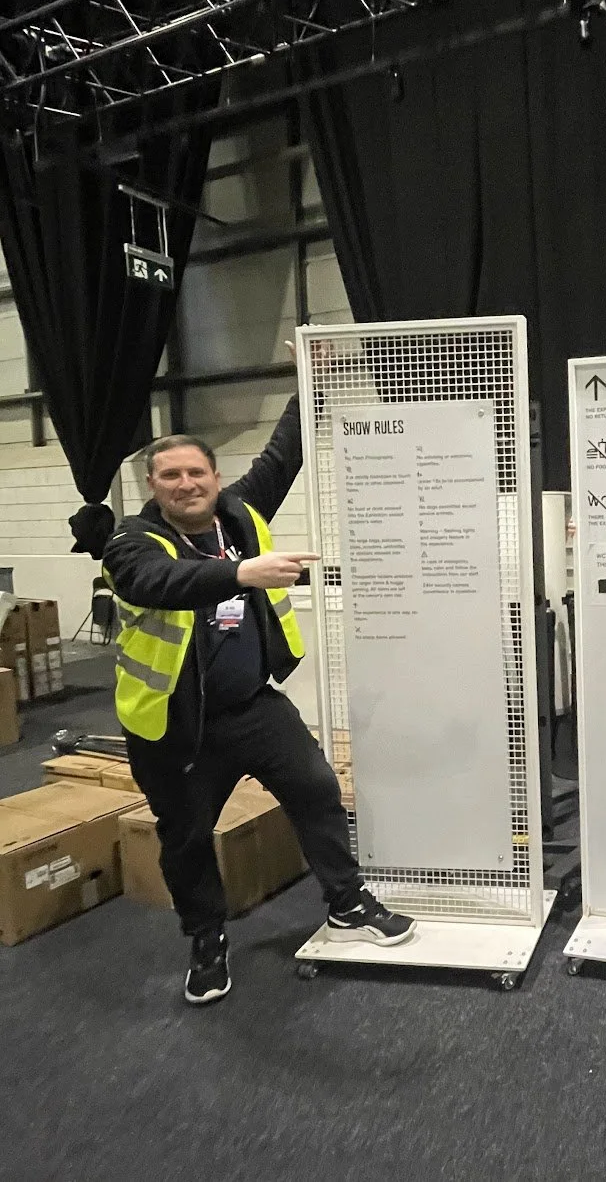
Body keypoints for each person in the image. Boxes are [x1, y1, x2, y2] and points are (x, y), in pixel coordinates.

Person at [102, 381, 413, 1007]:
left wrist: (307, 382)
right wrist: (243, 572)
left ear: (215, 478)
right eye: (170, 476)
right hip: (176, 726)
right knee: (187, 838)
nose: (186, 484)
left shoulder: (240, 512)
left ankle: (346, 901)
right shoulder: (130, 544)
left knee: (317, 790)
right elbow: (160, 582)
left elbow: (283, 453)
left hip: (254, 706)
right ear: (152, 486)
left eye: (196, 472)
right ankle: (206, 939)